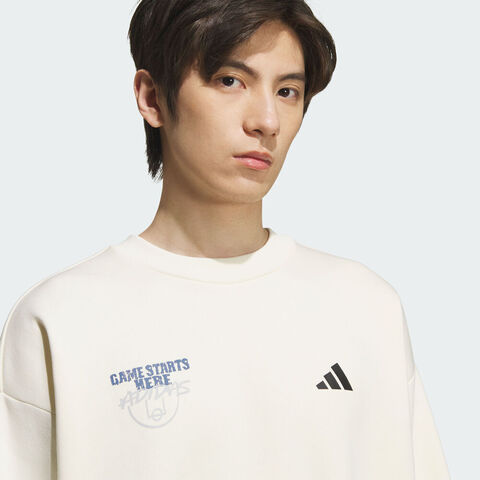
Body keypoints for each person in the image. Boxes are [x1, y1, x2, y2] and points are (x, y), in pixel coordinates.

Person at [0, 0, 450, 478]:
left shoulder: (366, 307)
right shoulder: (61, 319)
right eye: (230, 81)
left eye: (288, 91)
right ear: (153, 98)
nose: (267, 121)